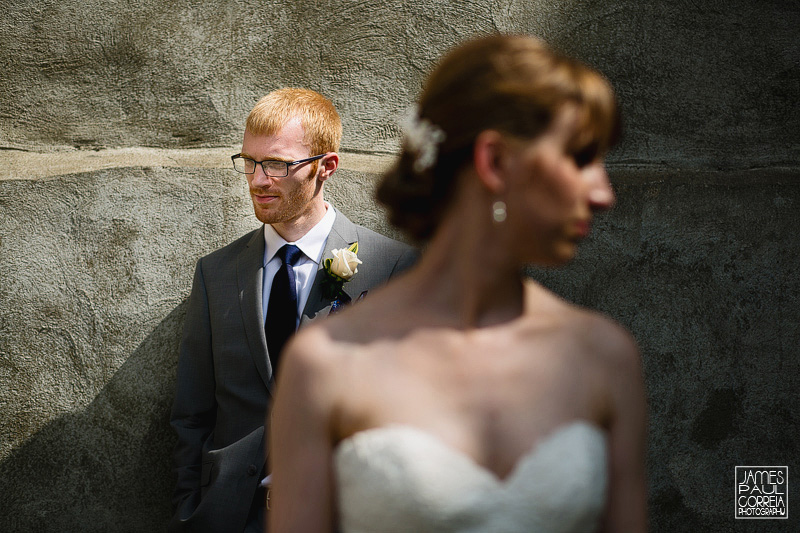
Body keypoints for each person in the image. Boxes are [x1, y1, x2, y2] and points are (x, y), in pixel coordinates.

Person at [269, 35, 648, 533]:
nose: (603, 193)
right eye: (580, 157)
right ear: (494, 162)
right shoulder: (327, 362)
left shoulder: (604, 355)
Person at [169, 87, 418, 532]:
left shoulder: (392, 268)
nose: (258, 179)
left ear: (327, 167)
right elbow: (192, 413)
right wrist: (191, 509)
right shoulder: (215, 274)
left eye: (278, 164)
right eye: (250, 161)